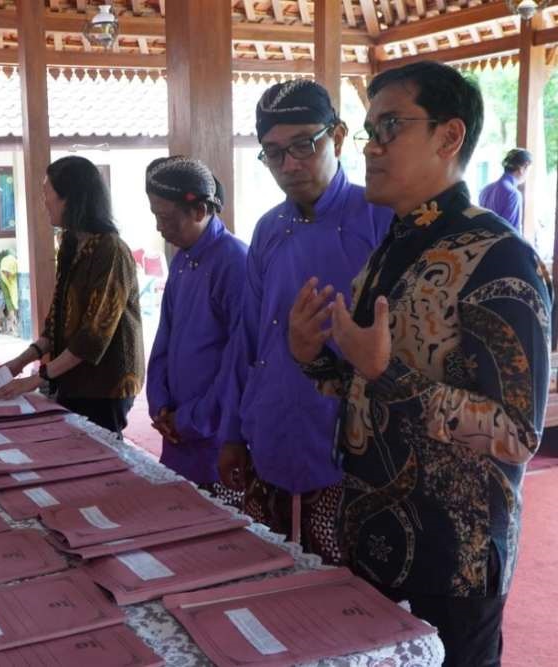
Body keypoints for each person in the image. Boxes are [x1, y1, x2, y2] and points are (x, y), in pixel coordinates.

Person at [289, 61, 552, 666]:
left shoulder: (500, 258)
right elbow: (363, 385)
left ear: (449, 136)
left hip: (452, 558)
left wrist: (387, 373)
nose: (370, 148)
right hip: (371, 534)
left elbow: (516, 434)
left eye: (389, 128)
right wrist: (312, 361)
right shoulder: (399, 244)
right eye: (369, 131)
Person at [216, 80, 393, 563]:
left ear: (336, 137)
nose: (289, 165)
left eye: (302, 145)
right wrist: (232, 432)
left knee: (343, 594)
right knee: (268, 578)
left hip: (347, 446)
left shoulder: (380, 220)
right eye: (273, 153)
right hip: (270, 429)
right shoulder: (269, 229)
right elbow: (246, 340)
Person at [0, 156, 145, 435]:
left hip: (106, 382)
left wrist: (37, 378)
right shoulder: (70, 243)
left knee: (100, 455)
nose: (45, 202)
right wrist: (18, 363)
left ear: (70, 199)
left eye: (47, 194)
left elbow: (93, 335)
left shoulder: (110, 250)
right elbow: (57, 319)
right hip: (72, 375)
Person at [144, 156, 248, 488]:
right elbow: (165, 338)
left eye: (166, 218)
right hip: (176, 431)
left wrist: (191, 419)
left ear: (200, 211)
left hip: (211, 436)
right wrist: (160, 404)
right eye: (156, 217)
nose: (160, 228)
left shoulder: (235, 262)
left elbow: (237, 362)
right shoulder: (181, 259)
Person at [479, 148, 532, 230]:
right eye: (529, 169)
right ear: (523, 167)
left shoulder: (485, 189)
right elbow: (513, 233)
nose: (528, 174)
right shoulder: (513, 194)